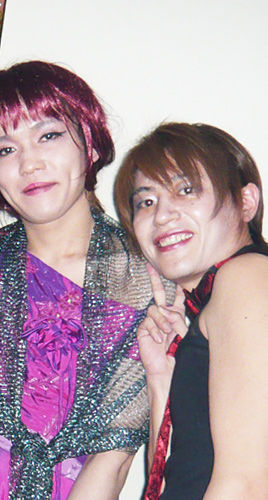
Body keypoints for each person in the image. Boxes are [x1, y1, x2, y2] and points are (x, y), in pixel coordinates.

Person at [0, 60, 155, 500]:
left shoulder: (141, 275)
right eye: (5, 150)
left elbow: (116, 452)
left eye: (48, 136)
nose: (29, 163)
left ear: (89, 144)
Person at [114, 122, 268, 500]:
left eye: (186, 190)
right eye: (146, 202)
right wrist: (162, 379)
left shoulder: (247, 276)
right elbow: (178, 477)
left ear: (246, 202)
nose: (162, 215)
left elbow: (247, 485)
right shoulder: (215, 301)